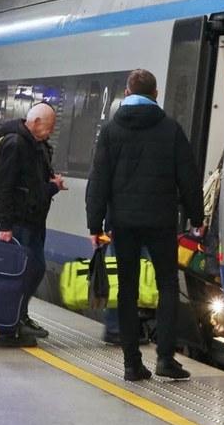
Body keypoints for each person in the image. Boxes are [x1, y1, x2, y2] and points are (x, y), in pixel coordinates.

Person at [87, 69, 203, 381]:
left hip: (122, 224)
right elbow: (189, 179)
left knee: (127, 288)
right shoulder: (170, 129)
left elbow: (98, 181)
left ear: (126, 94)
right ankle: (165, 358)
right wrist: (197, 219)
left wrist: (94, 225)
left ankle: (131, 364)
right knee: (167, 286)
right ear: (155, 94)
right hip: (161, 221)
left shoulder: (110, 131)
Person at [0, 103, 65, 347]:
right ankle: (9, 329)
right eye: (50, 127)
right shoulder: (15, 144)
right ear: (36, 123)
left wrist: (51, 184)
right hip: (19, 222)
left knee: (29, 271)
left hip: (31, 219)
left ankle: (16, 321)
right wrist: (5, 225)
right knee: (27, 271)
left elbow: (31, 184)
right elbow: (4, 186)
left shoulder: (34, 144)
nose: (51, 132)